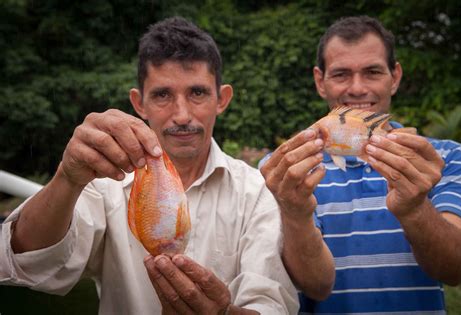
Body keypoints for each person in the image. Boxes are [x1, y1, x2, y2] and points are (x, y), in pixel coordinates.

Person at [0, 17, 308, 314]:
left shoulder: (256, 191)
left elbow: (271, 303)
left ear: (222, 99)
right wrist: (67, 178)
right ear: (138, 103)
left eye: (197, 93)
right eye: (162, 95)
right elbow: (28, 263)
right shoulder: (106, 183)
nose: (182, 115)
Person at [260, 15, 461, 314]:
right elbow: (311, 285)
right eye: (341, 74)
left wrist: (414, 208)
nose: (357, 88)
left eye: (372, 71)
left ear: (395, 77)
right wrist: (294, 213)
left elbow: (455, 270)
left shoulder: (443, 157)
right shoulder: (285, 170)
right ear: (320, 81)